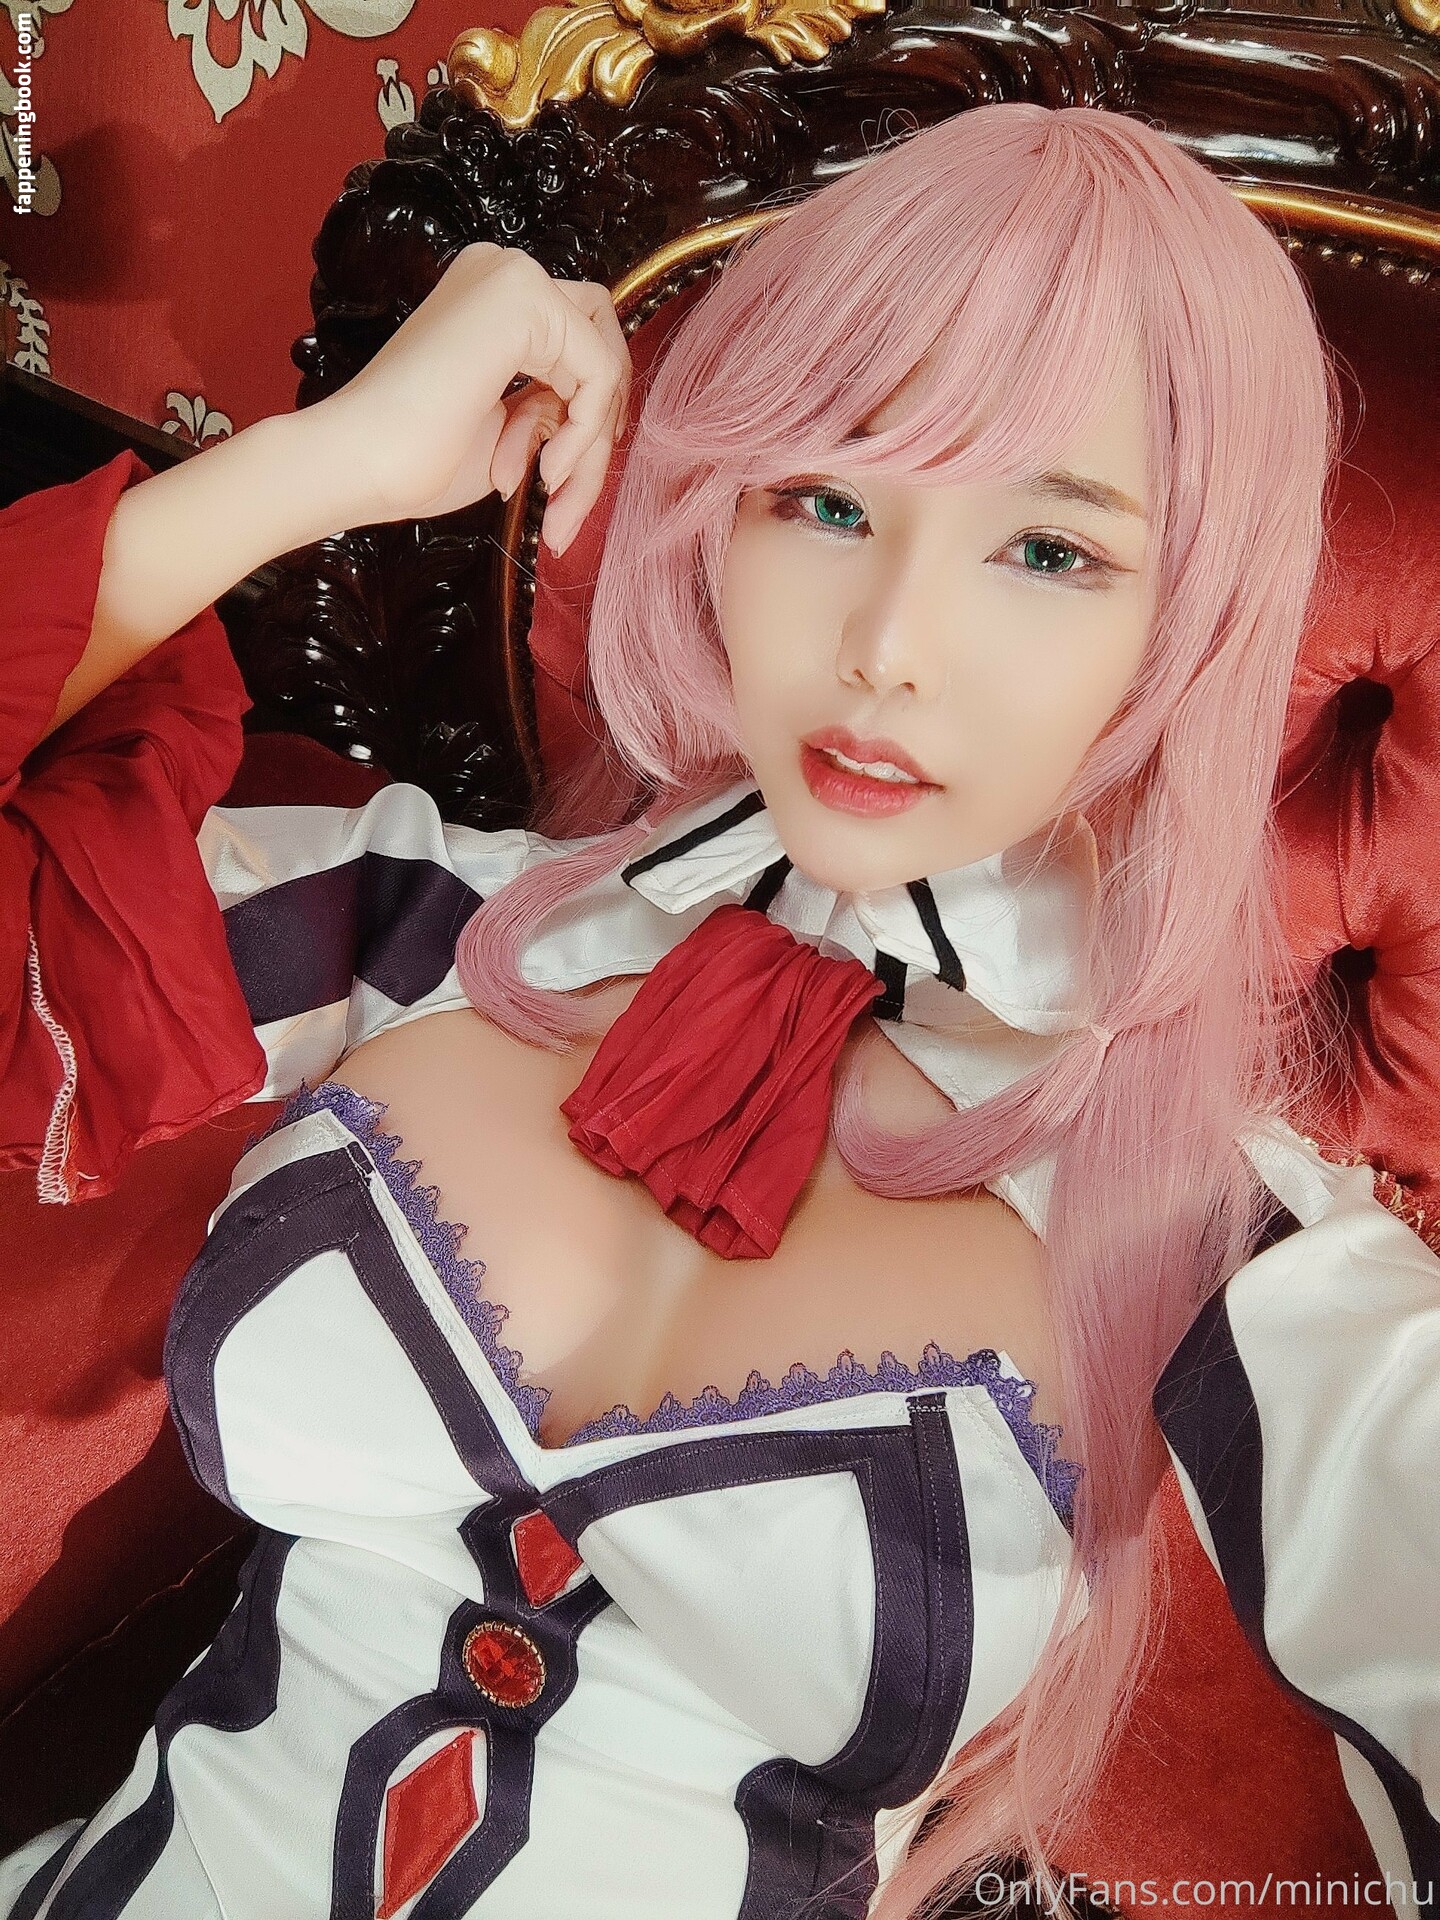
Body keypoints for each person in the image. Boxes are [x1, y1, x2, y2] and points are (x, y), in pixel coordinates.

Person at [0, 99, 1434, 1920]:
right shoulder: (421, 924)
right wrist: (322, 466)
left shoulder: (1234, 1254)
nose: (887, 643)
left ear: (1192, 625)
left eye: (1050, 550)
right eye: (825, 501)